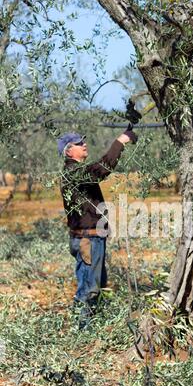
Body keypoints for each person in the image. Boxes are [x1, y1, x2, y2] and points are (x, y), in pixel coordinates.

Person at [58, 129, 137, 329]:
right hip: (88, 241)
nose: (84, 144)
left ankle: (91, 326)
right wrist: (120, 141)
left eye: (83, 140)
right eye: (78, 143)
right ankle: (83, 331)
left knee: (95, 285)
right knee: (89, 289)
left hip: (91, 239)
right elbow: (102, 167)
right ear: (69, 152)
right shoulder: (74, 173)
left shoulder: (75, 174)